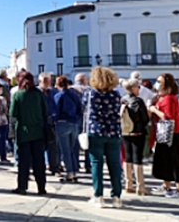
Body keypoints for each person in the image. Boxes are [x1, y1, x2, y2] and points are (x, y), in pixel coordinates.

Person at [82, 66, 123, 208]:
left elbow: (84, 108)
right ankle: (117, 196)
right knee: (114, 165)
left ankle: (98, 195)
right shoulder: (116, 95)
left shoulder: (90, 94)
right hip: (113, 132)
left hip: (96, 131)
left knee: (96, 164)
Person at [9, 70, 48, 195]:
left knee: (23, 162)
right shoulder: (39, 94)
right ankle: (41, 187)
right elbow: (45, 111)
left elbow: (13, 114)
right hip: (39, 132)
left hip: (23, 132)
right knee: (39, 161)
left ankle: (22, 186)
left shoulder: (18, 95)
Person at [148, 73, 179, 198]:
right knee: (165, 161)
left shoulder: (169, 98)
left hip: (173, 133)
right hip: (164, 132)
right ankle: (166, 185)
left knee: (176, 160)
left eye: (159, 81)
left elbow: (167, 117)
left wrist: (154, 110)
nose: (157, 83)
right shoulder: (162, 97)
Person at [121, 78, 150, 195]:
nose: (139, 89)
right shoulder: (138, 101)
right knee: (137, 158)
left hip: (125, 131)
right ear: (133, 88)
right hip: (138, 132)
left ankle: (128, 184)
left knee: (128, 157)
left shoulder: (123, 99)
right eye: (138, 87)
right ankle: (140, 186)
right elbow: (145, 118)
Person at [53, 75, 81, 182]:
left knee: (65, 150)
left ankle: (69, 173)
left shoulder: (58, 96)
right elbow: (79, 109)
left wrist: (54, 120)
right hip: (74, 123)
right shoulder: (74, 95)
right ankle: (74, 171)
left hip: (62, 122)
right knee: (73, 149)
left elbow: (56, 110)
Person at [38, 73, 60, 175]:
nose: (47, 83)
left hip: (52, 120)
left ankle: (54, 166)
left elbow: (57, 105)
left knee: (53, 144)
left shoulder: (54, 91)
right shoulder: (37, 92)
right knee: (41, 145)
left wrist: (56, 117)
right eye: (45, 81)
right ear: (40, 82)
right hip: (41, 121)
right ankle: (43, 165)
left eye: (49, 81)